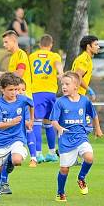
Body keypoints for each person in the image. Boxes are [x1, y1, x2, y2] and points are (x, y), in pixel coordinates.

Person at [50, 72, 104, 202]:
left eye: (67, 84)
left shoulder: (84, 100)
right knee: (64, 169)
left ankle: (81, 177)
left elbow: (94, 115)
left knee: (89, 158)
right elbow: (53, 121)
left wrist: (98, 129)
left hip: (81, 136)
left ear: (76, 86)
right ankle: (60, 192)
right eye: (62, 84)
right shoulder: (59, 102)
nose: (63, 86)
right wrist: (59, 128)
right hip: (66, 139)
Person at [0, 73, 35, 201]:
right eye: (10, 90)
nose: (14, 93)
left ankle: (10, 161)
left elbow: (31, 104)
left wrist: (31, 120)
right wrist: (12, 122)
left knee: (17, 160)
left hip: (17, 138)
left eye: (15, 89)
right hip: (1, 141)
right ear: (2, 89)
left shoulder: (22, 98)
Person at [28, 33, 63, 166]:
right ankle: (52, 153)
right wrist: (60, 74)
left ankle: (38, 153)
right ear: (51, 44)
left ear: (39, 44)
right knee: (49, 123)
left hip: (37, 92)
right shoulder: (54, 55)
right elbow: (58, 65)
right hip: (51, 93)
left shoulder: (32, 56)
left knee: (36, 122)